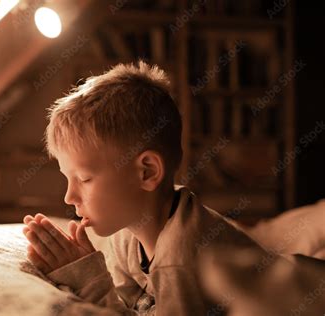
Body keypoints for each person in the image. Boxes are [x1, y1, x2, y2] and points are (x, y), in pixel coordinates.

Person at [22, 61, 270, 315]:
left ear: (147, 172)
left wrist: (89, 279)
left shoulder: (179, 263)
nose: (69, 197)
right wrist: (85, 268)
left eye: (84, 179)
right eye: (68, 178)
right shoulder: (126, 234)